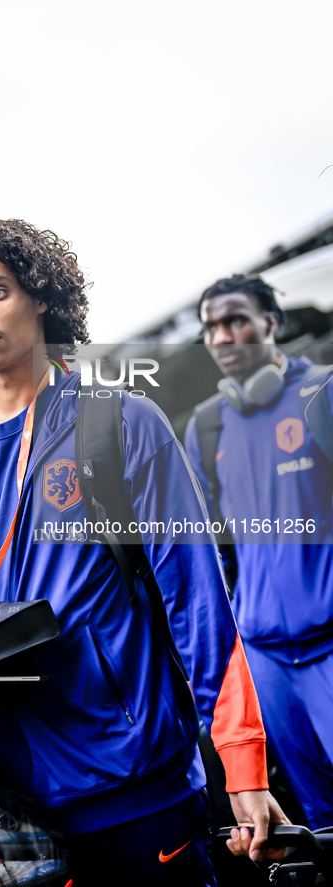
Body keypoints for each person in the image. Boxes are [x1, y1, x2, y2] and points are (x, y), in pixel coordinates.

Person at [0, 223, 286, 884]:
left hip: (136, 791)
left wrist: (244, 770)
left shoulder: (120, 424)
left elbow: (200, 611)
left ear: (41, 299)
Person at [185, 273, 333, 830]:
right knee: (317, 821)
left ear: (270, 322)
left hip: (329, 644)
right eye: (211, 328)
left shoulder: (323, 391)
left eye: (236, 320)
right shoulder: (205, 427)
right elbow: (215, 559)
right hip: (266, 660)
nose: (223, 336)